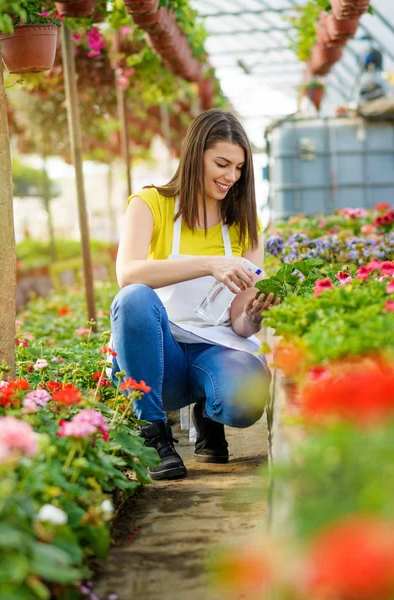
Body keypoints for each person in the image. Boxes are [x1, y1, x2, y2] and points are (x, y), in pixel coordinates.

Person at [110, 109, 279, 481]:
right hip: (158, 356)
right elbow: (128, 273)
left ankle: (208, 411)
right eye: (221, 164)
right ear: (195, 155)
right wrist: (209, 264)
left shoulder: (244, 225)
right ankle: (154, 435)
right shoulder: (150, 204)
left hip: (212, 350)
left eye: (238, 168)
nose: (231, 177)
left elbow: (238, 321)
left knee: (245, 398)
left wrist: (255, 313)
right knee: (134, 298)